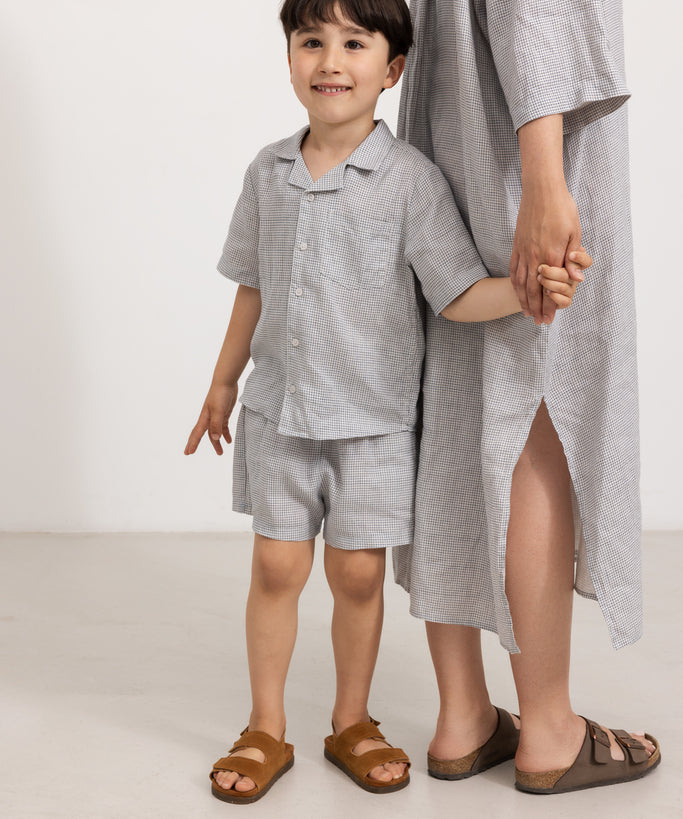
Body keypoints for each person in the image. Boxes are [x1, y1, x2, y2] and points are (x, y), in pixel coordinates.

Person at [184, 0, 587, 804]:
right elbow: (251, 286)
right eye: (311, 41)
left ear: (392, 68)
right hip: (279, 418)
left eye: (353, 43)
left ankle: (351, 720)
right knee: (275, 566)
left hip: (370, 428)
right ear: (290, 58)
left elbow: (454, 294)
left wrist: (523, 293)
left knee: (358, 576)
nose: (330, 60)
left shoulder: (410, 181)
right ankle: (264, 725)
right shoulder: (267, 172)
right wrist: (223, 382)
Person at [393, 0, 661, 795]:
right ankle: (546, 725)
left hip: (455, 116)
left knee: (455, 405)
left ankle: (463, 715)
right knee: (538, 417)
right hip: (525, 140)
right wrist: (545, 181)